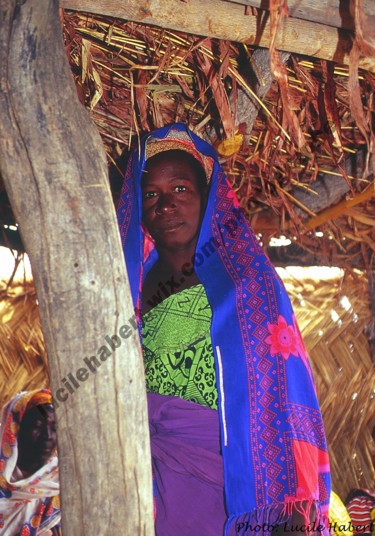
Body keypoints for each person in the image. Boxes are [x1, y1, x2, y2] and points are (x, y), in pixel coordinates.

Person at [117, 123, 331, 535]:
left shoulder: (252, 285)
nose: (165, 205)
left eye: (179, 188)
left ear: (208, 196)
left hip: (233, 484)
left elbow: (284, 393)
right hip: (144, 476)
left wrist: (287, 498)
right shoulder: (126, 289)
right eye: (151, 194)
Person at [0, 389, 60, 535]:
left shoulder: (58, 482)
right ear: (15, 429)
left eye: (54, 428)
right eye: (37, 426)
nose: (47, 436)